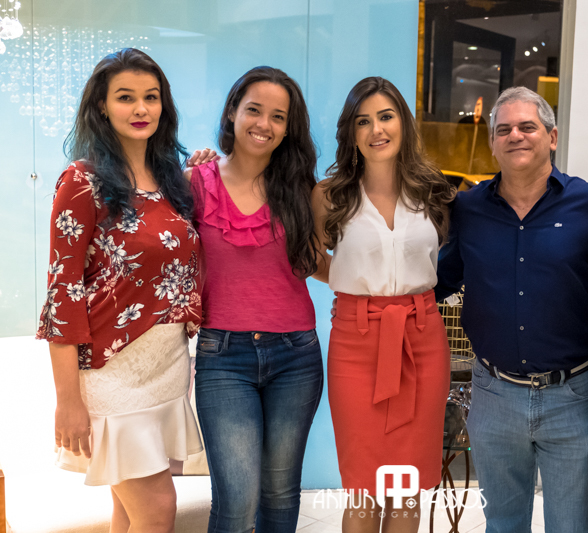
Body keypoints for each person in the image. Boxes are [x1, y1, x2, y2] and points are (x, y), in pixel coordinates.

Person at [435, 86, 588, 533]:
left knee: (573, 526)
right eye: (504, 130)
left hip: (572, 396)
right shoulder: (468, 209)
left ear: (552, 137)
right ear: (492, 143)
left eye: (527, 127)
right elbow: (437, 282)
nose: (515, 135)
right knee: (502, 524)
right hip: (494, 394)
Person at [36, 48, 203, 533]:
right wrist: (68, 400)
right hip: (110, 374)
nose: (141, 108)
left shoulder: (173, 181)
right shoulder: (81, 181)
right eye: (125, 97)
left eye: (151, 97)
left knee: (128, 513)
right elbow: (63, 293)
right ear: (102, 107)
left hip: (167, 366)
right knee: (158, 510)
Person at [311, 76, 455, 533]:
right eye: (363, 121)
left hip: (422, 339)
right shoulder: (329, 195)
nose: (376, 129)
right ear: (351, 132)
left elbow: (443, 256)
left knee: (407, 485)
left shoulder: (433, 192)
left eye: (386, 117)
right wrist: (353, 285)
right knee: (364, 485)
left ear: (403, 124)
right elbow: (311, 257)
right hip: (356, 344)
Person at [185, 66, 323, 533]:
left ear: (288, 128)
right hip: (223, 355)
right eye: (254, 110)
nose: (264, 124)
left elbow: (319, 263)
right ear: (232, 112)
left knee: (280, 493)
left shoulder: (301, 189)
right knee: (237, 501)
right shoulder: (194, 182)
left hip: (296, 355)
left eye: (278, 116)